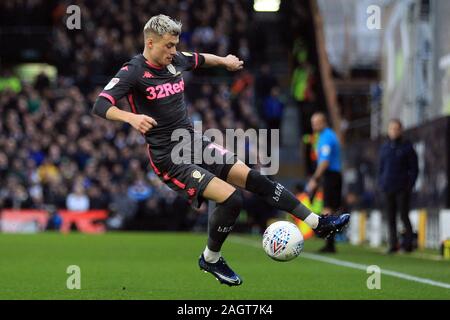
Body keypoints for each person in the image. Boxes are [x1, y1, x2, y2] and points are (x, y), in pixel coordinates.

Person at [92, 14, 349, 286]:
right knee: (232, 199)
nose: (173, 51)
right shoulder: (133, 71)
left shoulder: (175, 59)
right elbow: (100, 104)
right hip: (170, 157)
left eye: (175, 45)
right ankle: (211, 258)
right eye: (168, 45)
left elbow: (200, 58)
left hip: (195, 143)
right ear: (150, 42)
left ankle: (318, 223)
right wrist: (130, 117)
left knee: (258, 179)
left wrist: (225, 61)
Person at [378, 119, 418, 254]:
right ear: (388, 131)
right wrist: (381, 182)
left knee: (403, 215)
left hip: (402, 187)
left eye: (396, 129)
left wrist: (410, 184)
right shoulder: (385, 148)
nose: (393, 131)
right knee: (390, 217)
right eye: (391, 129)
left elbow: (414, 168)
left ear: (401, 130)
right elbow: (381, 167)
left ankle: (408, 244)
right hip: (388, 187)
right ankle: (393, 244)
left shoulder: (407, 147)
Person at [306, 112, 343, 253]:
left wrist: (314, 179)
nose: (314, 125)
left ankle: (330, 244)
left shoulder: (326, 137)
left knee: (328, 209)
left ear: (324, 122)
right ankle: (330, 243)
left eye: (316, 122)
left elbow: (325, 162)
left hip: (331, 175)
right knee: (329, 208)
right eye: (312, 122)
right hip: (330, 176)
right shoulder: (322, 136)